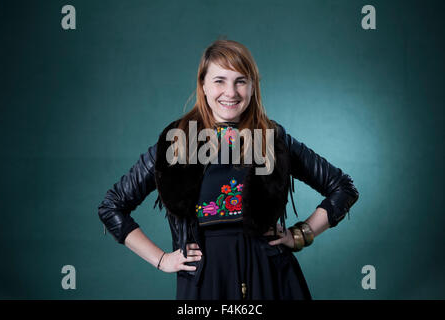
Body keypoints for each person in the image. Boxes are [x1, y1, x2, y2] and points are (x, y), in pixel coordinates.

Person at [98, 39, 359, 300]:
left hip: (271, 276)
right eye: (219, 80)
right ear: (203, 85)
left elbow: (343, 188)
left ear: (253, 86)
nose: (230, 92)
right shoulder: (176, 141)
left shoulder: (273, 138)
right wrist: (161, 259)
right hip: (206, 281)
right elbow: (112, 206)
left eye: (240, 81)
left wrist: (299, 235)